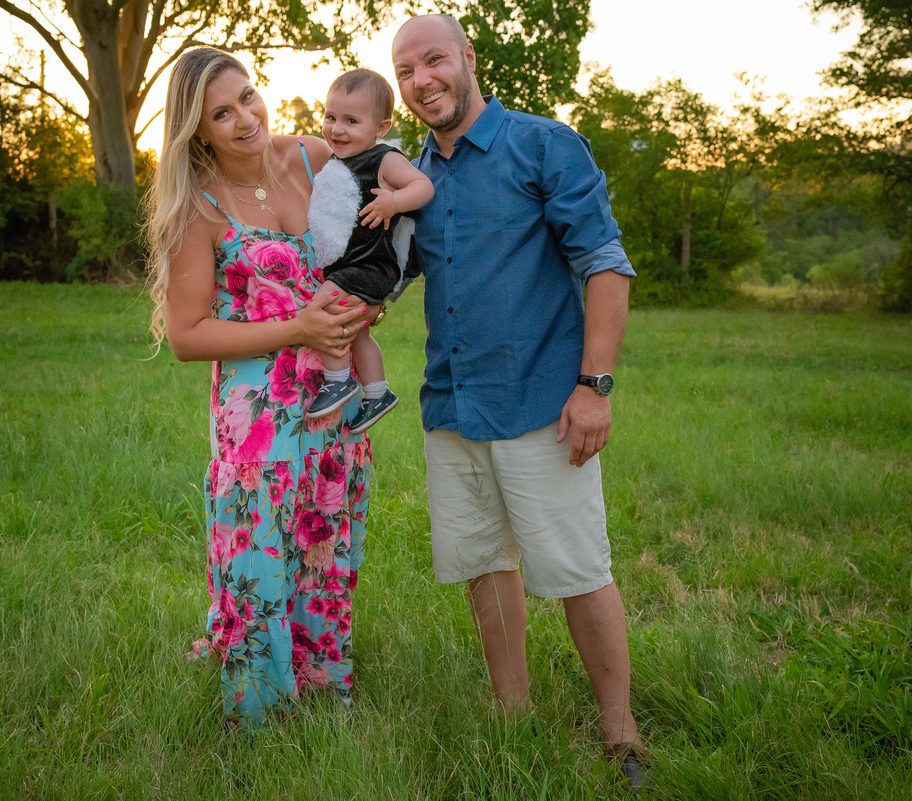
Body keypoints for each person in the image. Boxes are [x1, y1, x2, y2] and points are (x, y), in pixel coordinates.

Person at [391, 14, 651, 790]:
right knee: (484, 565)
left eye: (434, 60)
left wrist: (594, 386)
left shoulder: (542, 144)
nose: (421, 80)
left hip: (544, 401)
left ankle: (621, 732)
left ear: (468, 58)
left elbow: (605, 263)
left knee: (576, 568)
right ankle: (513, 712)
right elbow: (387, 276)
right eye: (406, 71)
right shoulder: (409, 176)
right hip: (453, 406)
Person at [145, 47, 376, 727]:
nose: (246, 118)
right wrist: (294, 329)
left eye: (247, 96)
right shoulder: (200, 206)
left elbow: (378, 238)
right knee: (261, 548)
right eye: (222, 111)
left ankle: (323, 681)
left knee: (326, 534)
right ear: (198, 128)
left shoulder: (312, 158)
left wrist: (373, 295)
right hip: (259, 413)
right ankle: (262, 705)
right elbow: (188, 334)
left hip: (335, 394)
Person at [304, 68, 435, 433]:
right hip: (350, 265)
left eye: (351, 121)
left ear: (380, 128)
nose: (337, 129)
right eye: (330, 117)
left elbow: (424, 187)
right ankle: (377, 393)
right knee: (357, 331)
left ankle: (338, 379)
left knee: (324, 309)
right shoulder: (335, 160)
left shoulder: (383, 159)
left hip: (371, 264)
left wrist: (393, 201)